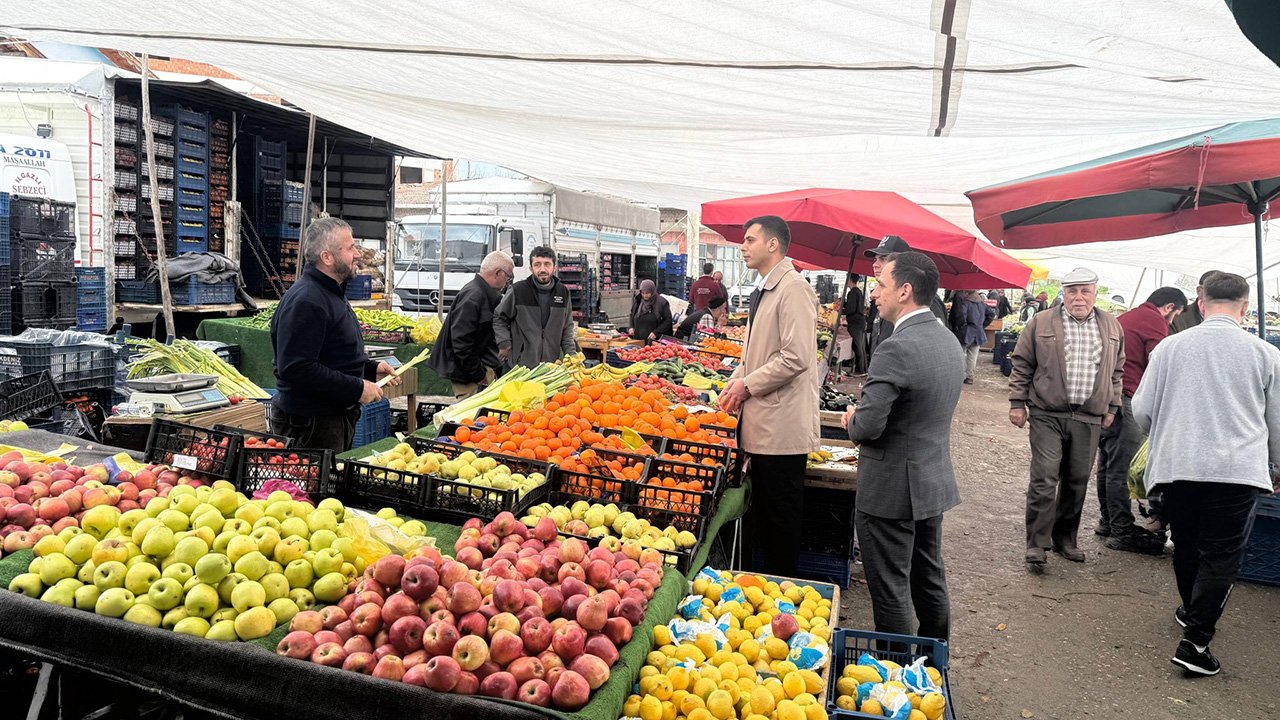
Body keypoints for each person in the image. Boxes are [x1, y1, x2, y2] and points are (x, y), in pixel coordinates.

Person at [1132, 271, 1280, 677]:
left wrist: (1168, 434)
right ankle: (1196, 642)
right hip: (1237, 471)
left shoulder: (1169, 348)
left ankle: (1190, 610)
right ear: (1245, 307)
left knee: (1186, 544)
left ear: (1201, 302)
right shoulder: (1265, 354)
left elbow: (1141, 410)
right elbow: (1278, 421)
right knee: (1222, 556)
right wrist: (1278, 465)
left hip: (1178, 466)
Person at [842, 251, 964, 641]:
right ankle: (932, 660)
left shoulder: (896, 346)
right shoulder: (947, 340)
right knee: (928, 575)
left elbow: (868, 427)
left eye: (881, 284)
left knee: (891, 586)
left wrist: (851, 420)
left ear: (905, 290)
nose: (875, 292)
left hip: (892, 488)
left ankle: (896, 673)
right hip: (931, 479)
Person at [717, 215, 819, 576]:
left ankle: (781, 598)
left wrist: (748, 384)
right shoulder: (766, 288)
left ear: (772, 244)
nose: (742, 247)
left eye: (749, 240)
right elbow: (757, 354)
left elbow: (797, 357)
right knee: (764, 521)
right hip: (763, 428)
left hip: (781, 434)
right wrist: (736, 379)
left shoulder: (793, 289)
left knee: (780, 526)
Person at [1008, 267, 1124, 568]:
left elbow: (1116, 371)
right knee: (1045, 477)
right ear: (1064, 293)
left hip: (1089, 416)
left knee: (1077, 480)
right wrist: (1017, 402)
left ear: (1095, 293)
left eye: (1085, 290)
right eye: (1072, 291)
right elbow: (1022, 362)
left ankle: (1065, 539)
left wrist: (1111, 407)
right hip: (1048, 412)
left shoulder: (1111, 326)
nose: (1079, 297)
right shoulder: (1042, 321)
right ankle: (1036, 543)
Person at [269, 218, 399, 453]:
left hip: (330, 420)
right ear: (327, 257)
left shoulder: (331, 292)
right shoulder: (307, 301)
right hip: (311, 425)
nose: (357, 254)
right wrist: (357, 387)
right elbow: (297, 368)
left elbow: (331, 355)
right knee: (312, 489)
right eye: (350, 248)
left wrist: (369, 369)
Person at [1094, 287, 1187, 552]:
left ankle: (1108, 521)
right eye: (1176, 314)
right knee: (1122, 468)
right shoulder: (1154, 321)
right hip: (1128, 398)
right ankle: (1122, 530)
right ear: (1169, 307)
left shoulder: (1128, 317)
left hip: (1109, 397)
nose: (1172, 321)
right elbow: (1159, 365)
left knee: (1108, 464)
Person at [428, 251, 513, 399]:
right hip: (468, 375)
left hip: (473, 371)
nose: (508, 281)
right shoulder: (473, 296)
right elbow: (461, 343)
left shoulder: (482, 293)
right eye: (508, 276)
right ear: (498, 273)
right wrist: (479, 374)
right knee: (469, 419)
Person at [494, 246, 578, 368]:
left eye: (547, 264)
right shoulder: (518, 290)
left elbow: (567, 328)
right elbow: (499, 317)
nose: (542, 269)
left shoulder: (563, 292)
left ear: (554, 268)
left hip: (550, 366)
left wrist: (571, 354)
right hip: (520, 366)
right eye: (537, 264)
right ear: (531, 268)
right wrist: (504, 342)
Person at [866, 236, 947, 357]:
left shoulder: (924, 300)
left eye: (883, 259)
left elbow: (936, 350)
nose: (875, 265)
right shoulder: (885, 296)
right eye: (875, 259)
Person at [952, 290, 993, 384]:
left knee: (961, 355)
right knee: (972, 356)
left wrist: (961, 327)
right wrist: (982, 325)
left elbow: (961, 316)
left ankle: (961, 376)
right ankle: (969, 377)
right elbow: (991, 314)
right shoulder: (982, 304)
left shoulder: (966, 303)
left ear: (967, 294)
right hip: (978, 333)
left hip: (966, 332)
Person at [842, 274, 867, 374]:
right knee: (861, 346)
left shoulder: (852, 292)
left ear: (850, 280)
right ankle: (863, 368)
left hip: (855, 323)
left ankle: (861, 370)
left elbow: (851, 309)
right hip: (860, 321)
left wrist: (841, 311)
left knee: (858, 346)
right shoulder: (858, 291)